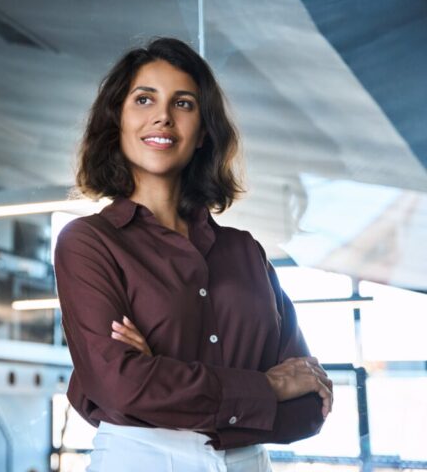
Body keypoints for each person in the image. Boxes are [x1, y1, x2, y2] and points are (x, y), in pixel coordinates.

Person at [53, 37, 333, 471]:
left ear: (203, 131)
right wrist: (268, 389)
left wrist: (162, 379)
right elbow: (120, 387)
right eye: (144, 100)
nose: (162, 115)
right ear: (118, 121)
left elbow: (310, 406)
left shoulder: (246, 252)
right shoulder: (89, 243)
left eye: (183, 103)